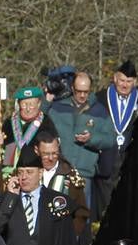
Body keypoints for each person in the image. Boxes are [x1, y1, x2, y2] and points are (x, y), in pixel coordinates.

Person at [48, 72, 115, 210]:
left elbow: (110, 139)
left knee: (81, 219)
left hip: (84, 174)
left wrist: (92, 138)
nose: (82, 95)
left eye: (86, 91)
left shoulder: (99, 111)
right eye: (79, 91)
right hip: (59, 173)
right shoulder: (57, 108)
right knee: (56, 215)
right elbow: (45, 133)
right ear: (72, 88)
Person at [95, 59, 138, 214]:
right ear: (115, 78)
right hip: (106, 161)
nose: (124, 85)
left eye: (129, 81)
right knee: (104, 207)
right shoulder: (100, 98)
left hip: (129, 160)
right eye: (122, 80)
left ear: (135, 82)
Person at [0, 87, 57, 170]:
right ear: (18, 104)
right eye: (24, 104)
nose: (28, 109)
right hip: (10, 171)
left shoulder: (46, 123)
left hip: (35, 172)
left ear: (39, 104)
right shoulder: (9, 122)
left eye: (31, 104)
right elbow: (3, 150)